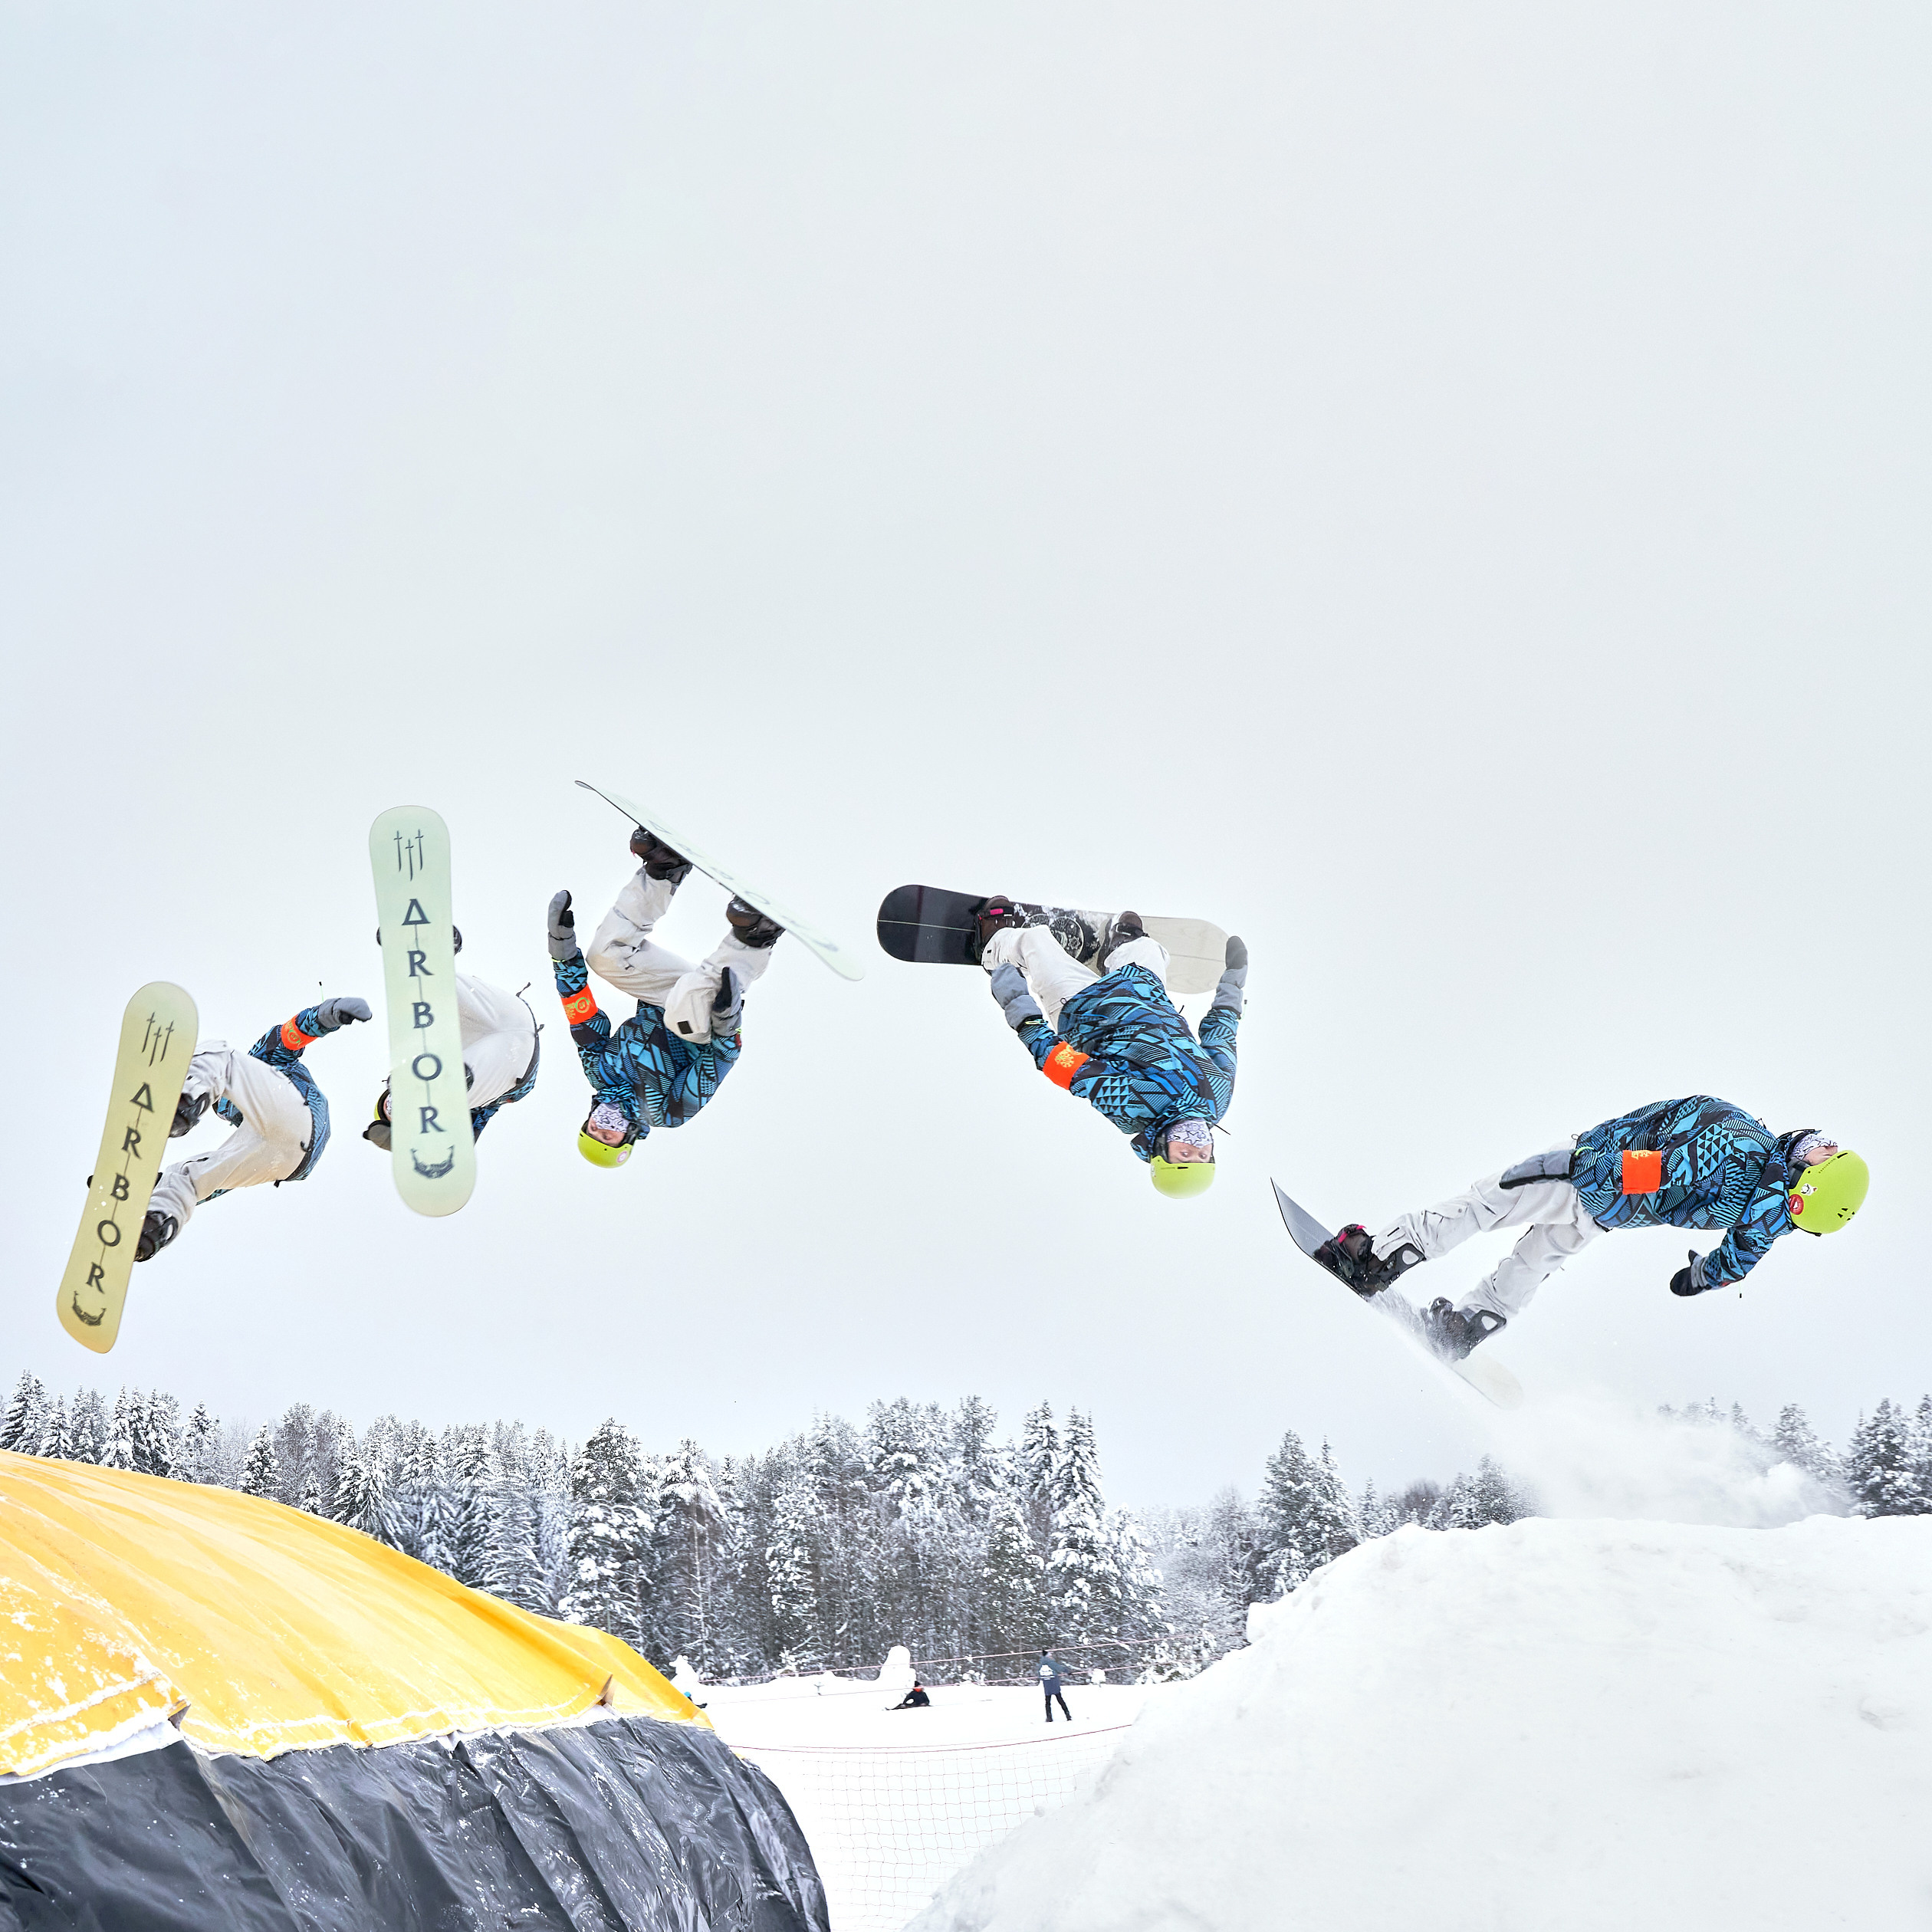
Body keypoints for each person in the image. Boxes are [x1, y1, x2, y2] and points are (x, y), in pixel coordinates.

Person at [1320, 1096, 1869, 1359]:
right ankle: (1468, 1327)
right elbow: (1739, 1259)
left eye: (1826, 1152)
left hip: (1595, 1174)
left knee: (1484, 1204)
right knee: (1535, 1261)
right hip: (1612, 1217)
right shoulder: (1773, 1216)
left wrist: (1577, 1167)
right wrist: (1701, 1277)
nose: (1824, 1144)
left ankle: (1374, 1261)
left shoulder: (1740, 1144)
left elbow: (1655, 1171)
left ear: (1809, 1175)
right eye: (1829, 1145)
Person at [549, 827, 784, 1167]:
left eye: (594, 1129)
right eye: (609, 1137)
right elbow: (717, 1062)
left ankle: (662, 872)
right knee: (684, 1006)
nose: (604, 1126)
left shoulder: (599, 1072)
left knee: (604, 958)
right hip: (703, 1021)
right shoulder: (667, 1112)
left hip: (661, 998)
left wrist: (563, 954)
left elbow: (581, 1015)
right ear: (628, 1138)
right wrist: (727, 1024)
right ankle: (753, 937)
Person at [979, 900, 1246, 1198]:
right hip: (1146, 992)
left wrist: (1020, 1009)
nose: (1194, 1146)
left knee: (1035, 940)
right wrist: (1234, 981)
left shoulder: (1134, 1106)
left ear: (1161, 1150)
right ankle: (1121, 947)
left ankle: (994, 946)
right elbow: (1223, 1034)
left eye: (1183, 1155)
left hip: (1082, 1006)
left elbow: (1064, 1065)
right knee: (1149, 950)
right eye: (1202, 1155)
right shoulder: (1218, 1098)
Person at [138, 996, 373, 1260]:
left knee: (219, 1056)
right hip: (289, 1158)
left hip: (295, 1129)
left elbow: (291, 1036)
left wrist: (328, 1014)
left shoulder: (260, 1066)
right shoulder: (243, 1100)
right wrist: (152, 1189)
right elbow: (214, 1183)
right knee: (186, 1177)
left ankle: (184, 1104)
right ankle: (154, 1226)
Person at [361, 930, 541, 1151]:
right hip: (511, 1070)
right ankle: (440, 1090)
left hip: (506, 1014)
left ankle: (428, 965)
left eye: (391, 1103)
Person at [1039, 1650, 1071, 1723]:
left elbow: (1038, 1673)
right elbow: (1059, 1668)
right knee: (1060, 1699)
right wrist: (1067, 1671)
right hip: (1053, 1683)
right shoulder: (1050, 1663)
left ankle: (1049, 1717)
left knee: (1047, 1701)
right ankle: (1067, 1715)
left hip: (1046, 1685)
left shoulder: (1041, 1664)